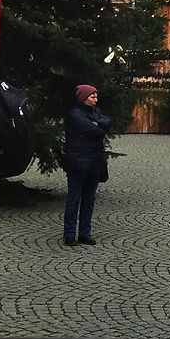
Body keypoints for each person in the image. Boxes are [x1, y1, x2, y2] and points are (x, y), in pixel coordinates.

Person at [63, 83, 110, 245]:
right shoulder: (75, 114)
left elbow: (107, 123)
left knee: (89, 200)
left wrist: (97, 124)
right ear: (84, 98)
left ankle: (85, 233)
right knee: (74, 199)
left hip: (94, 163)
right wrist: (97, 125)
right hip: (77, 162)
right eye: (92, 96)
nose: (96, 99)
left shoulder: (95, 112)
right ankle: (69, 234)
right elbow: (93, 131)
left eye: (96, 96)